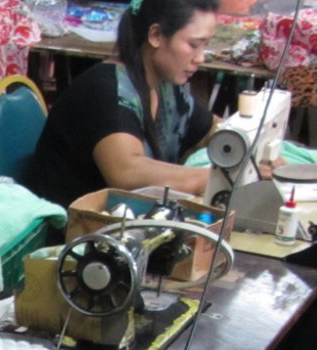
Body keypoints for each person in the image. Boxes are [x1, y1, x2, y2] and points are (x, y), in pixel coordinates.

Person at [23, 0, 219, 210]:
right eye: (193, 44)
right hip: (74, 232)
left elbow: (210, 130)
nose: (200, 58)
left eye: (205, 45)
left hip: (122, 226)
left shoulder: (166, 85)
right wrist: (212, 179)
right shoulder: (107, 89)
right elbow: (126, 170)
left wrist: (242, 150)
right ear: (155, 35)